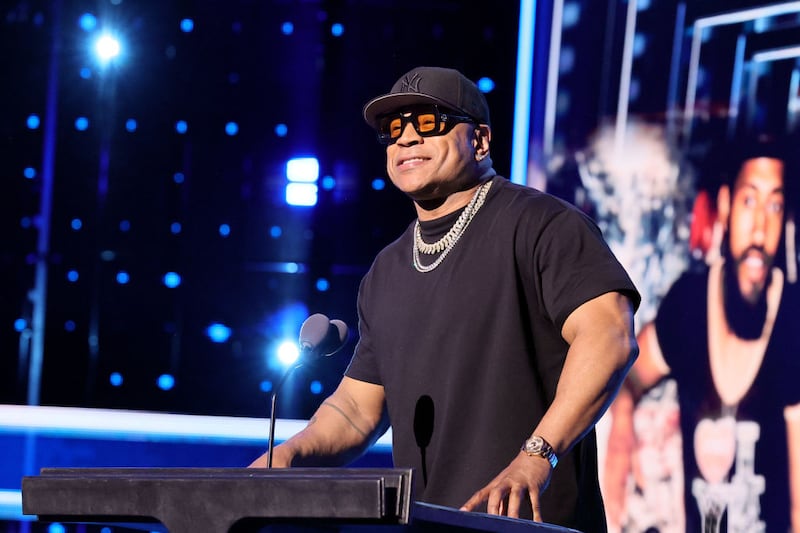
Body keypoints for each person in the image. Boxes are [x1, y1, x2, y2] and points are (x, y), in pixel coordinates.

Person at [250, 66, 640, 531]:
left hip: (528, 522)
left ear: (479, 141)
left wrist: (537, 456)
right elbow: (357, 409)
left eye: (429, 121)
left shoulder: (542, 225)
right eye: (395, 130)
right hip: (432, 523)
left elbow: (609, 336)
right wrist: (291, 453)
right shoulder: (386, 272)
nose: (407, 139)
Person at [602, 136, 800, 532]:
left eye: (774, 205)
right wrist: (622, 433)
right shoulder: (689, 304)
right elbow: (630, 376)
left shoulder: (794, 317)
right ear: (725, 206)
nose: (761, 226)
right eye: (749, 201)